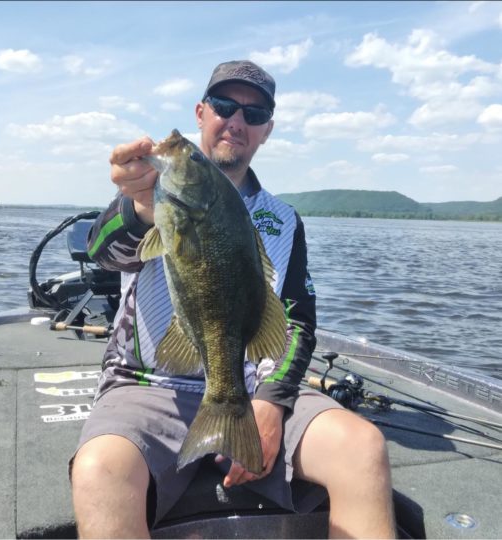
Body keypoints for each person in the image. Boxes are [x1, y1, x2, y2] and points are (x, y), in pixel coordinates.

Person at [70, 60, 396, 539]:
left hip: (250, 380)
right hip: (148, 382)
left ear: (266, 130)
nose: (237, 121)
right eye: (224, 106)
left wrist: (270, 401)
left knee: (362, 448)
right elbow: (104, 253)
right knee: (99, 469)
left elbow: (296, 320)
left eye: (255, 112)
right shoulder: (153, 195)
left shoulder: (284, 220)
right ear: (202, 112)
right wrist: (139, 209)